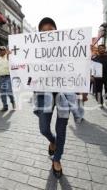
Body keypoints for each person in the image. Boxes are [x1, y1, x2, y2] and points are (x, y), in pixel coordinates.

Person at [33, 17, 77, 178]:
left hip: (64, 94)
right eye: (43, 32)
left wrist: (86, 55)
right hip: (44, 95)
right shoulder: (33, 51)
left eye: (50, 30)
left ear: (56, 32)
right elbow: (24, 71)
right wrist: (14, 59)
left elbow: (78, 65)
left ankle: (57, 159)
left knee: (61, 130)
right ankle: (52, 142)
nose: (47, 34)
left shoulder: (68, 48)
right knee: (44, 129)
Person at [0, 46, 16, 112]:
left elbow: (13, 63)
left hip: (8, 77)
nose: (1, 51)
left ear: (5, 50)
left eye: (2, 50)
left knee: (9, 91)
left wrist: (9, 55)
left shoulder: (8, 56)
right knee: (2, 93)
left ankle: (13, 101)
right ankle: (5, 106)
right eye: (0, 50)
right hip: (1, 78)